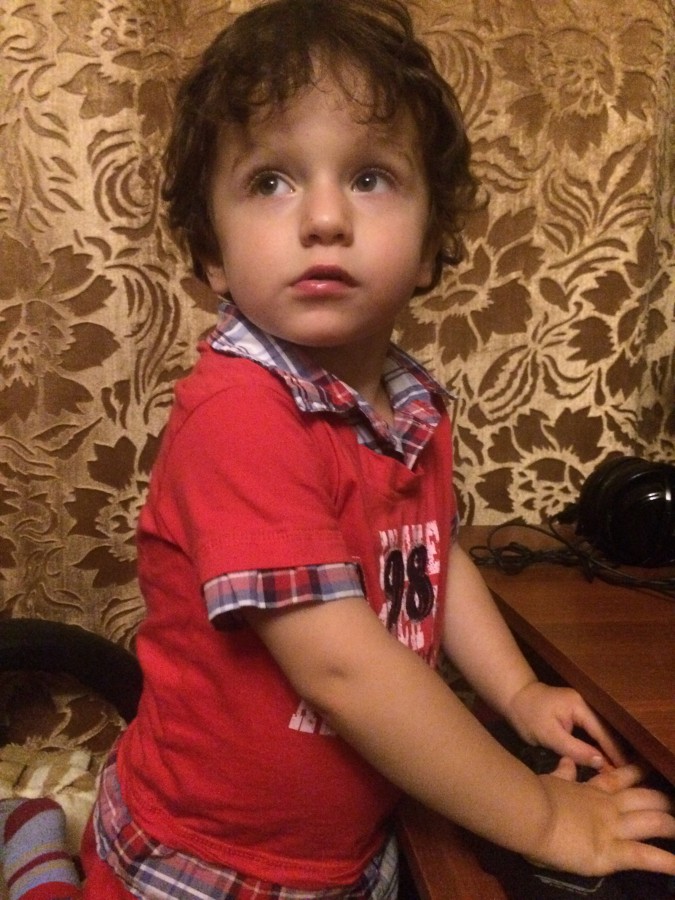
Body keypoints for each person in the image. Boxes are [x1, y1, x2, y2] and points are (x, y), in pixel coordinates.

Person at [2, 1, 674, 898]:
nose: (324, 218)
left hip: (349, 840)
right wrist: (546, 819)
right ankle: (34, 845)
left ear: (430, 247)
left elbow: (431, 561)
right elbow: (342, 668)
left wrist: (516, 691)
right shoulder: (239, 415)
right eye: (270, 181)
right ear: (213, 255)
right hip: (213, 860)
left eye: (368, 176)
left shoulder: (409, 407)